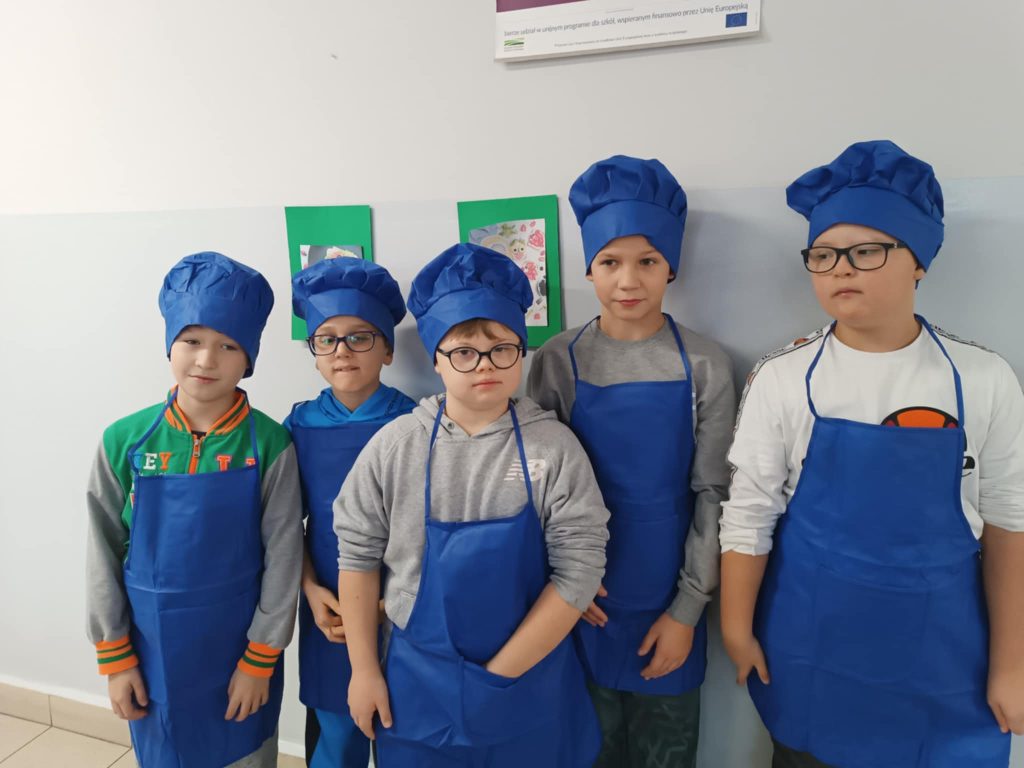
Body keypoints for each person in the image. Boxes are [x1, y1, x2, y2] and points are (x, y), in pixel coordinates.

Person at [720, 140, 1024, 767]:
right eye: (823, 254)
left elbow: (1008, 523)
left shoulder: (984, 378)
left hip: (943, 662)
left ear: (919, 262)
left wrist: (1011, 665)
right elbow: (748, 514)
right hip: (810, 653)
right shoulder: (782, 378)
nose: (840, 269)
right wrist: (735, 627)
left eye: (866, 250)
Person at [335, 243, 609, 767]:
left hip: (529, 676)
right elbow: (357, 558)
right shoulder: (395, 448)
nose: (484, 365)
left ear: (522, 353)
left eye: (501, 348)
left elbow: (579, 570)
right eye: (463, 351)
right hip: (416, 684)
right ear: (436, 359)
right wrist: (364, 670)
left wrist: (496, 681)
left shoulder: (554, 449)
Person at [528, 154, 736, 767]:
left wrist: (687, 610)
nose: (628, 281)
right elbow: (537, 486)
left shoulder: (705, 364)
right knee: (584, 751)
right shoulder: (558, 360)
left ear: (672, 267)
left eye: (647, 261)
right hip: (578, 601)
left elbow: (715, 494)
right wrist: (562, 584)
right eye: (610, 262)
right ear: (588, 269)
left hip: (668, 603)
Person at [86, 251, 303, 768]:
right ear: (170, 344)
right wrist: (115, 658)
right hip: (150, 655)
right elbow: (101, 552)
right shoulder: (125, 441)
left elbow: (284, 556)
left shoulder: (269, 444)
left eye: (228, 346)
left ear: (249, 358)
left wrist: (260, 659)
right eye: (192, 341)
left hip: (240, 656)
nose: (206, 360)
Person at [286, 257, 415, 768]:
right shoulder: (297, 428)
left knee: (405, 730)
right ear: (314, 352)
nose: (342, 350)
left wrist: (389, 601)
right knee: (336, 735)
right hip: (329, 609)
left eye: (360, 337)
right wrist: (309, 589)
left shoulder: (417, 423)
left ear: (387, 349)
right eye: (327, 339)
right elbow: (283, 526)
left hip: (405, 605)